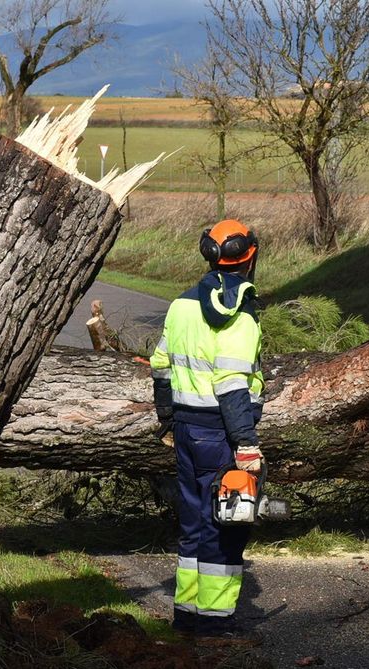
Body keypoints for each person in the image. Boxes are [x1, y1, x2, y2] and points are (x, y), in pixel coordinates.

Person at [150, 219, 266, 635]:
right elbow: (232, 385)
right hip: (222, 434)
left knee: (195, 522)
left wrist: (168, 419)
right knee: (227, 524)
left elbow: (160, 365)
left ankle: (186, 614)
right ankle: (216, 625)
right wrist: (246, 444)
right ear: (250, 258)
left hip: (186, 429)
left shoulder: (181, 305)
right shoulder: (242, 316)